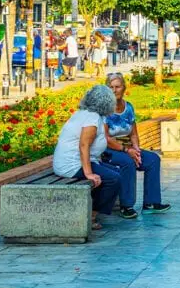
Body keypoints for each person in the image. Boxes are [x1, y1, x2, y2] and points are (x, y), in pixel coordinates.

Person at [102, 73, 171, 218]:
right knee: (128, 163)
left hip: (128, 147)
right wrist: (128, 151)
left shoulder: (129, 108)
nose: (114, 90)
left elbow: (133, 134)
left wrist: (137, 150)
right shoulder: (104, 110)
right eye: (111, 87)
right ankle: (126, 206)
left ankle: (151, 203)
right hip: (109, 150)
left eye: (118, 87)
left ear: (124, 88)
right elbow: (106, 138)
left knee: (153, 159)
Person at [52, 85, 121, 230]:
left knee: (116, 171)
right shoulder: (92, 118)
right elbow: (84, 145)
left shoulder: (84, 113)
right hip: (72, 165)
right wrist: (89, 173)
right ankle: (91, 216)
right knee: (114, 178)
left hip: (75, 162)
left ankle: (92, 208)